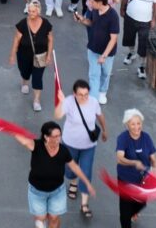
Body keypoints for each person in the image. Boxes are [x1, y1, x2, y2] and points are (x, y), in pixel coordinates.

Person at [12, 121, 96, 228]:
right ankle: (41, 220)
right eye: (55, 136)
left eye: (60, 135)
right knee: (41, 218)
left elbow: (74, 166)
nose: (59, 139)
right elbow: (23, 141)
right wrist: (9, 129)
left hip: (57, 191)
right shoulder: (36, 146)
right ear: (46, 137)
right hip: (37, 192)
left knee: (54, 218)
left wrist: (87, 182)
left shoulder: (63, 150)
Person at [55, 79, 107, 220]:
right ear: (74, 93)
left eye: (86, 94)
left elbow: (99, 115)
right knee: (70, 171)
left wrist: (104, 129)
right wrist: (60, 101)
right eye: (80, 94)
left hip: (88, 146)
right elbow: (58, 115)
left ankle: (84, 205)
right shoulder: (68, 101)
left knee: (86, 171)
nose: (84, 97)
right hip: (70, 143)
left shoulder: (93, 102)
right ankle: (73, 181)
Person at [115, 109, 156, 228]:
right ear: (127, 125)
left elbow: (153, 159)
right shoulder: (123, 138)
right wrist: (134, 162)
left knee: (141, 203)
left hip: (142, 180)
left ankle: (132, 213)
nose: (136, 127)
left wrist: (155, 175)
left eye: (138, 123)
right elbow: (119, 158)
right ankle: (127, 220)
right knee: (125, 210)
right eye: (133, 124)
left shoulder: (146, 138)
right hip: (125, 179)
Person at [75, 0, 119, 104]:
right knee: (94, 74)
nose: (90, 3)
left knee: (105, 73)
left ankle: (102, 91)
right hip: (93, 48)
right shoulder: (94, 10)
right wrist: (82, 20)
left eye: (92, 1)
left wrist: (104, 56)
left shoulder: (113, 16)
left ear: (100, 2)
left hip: (107, 53)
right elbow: (91, 23)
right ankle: (93, 98)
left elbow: (113, 38)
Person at [10, 0, 53, 111]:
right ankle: (24, 81)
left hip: (41, 55)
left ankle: (36, 100)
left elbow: (50, 39)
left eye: (33, 11)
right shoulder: (23, 24)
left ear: (38, 12)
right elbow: (16, 39)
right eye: (29, 11)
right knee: (25, 71)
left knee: (37, 77)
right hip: (24, 54)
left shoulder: (46, 24)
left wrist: (49, 55)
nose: (30, 13)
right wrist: (12, 55)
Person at [120, 0, 156, 80]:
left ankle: (142, 66)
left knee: (143, 43)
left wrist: (154, 19)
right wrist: (122, 9)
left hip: (145, 22)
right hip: (130, 18)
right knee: (128, 38)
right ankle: (131, 53)